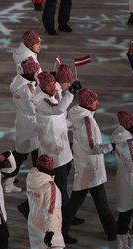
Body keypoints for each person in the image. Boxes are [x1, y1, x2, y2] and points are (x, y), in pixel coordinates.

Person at [63, 88, 116, 244]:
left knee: (97, 201)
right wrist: (111, 147)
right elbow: (92, 147)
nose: (97, 103)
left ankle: (112, 231)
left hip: (86, 165)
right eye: (94, 101)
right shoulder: (87, 121)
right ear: (87, 103)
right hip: (90, 167)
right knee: (80, 202)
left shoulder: (76, 113)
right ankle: (61, 232)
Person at [26, 154, 78, 249]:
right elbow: (51, 210)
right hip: (48, 228)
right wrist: (50, 232)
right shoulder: (50, 186)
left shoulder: (31, 178)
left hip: (33, 224)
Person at [34, 71, 78, 212]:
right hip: (54, 152)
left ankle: (66, 215)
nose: (53, 88)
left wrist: (75, 120)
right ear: (41, 86)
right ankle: (65, 218)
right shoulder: (42, 101)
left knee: (61, 185)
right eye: (49, 86)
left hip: (62, 148)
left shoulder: (50, 96)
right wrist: (71, 93)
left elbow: (59, 121)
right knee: (60, 187)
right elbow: (58, 110)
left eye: (54, 84)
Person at [3, 58, 42, 193]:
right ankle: (39, 185)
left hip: (22, 122)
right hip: (32, 124)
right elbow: (34, 108)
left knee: (20, 154)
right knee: (37, 155)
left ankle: (9, 182)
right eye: (37, 71)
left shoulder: (17, 82)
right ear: (32, 73)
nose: (39, 73)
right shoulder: (29, 88)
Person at [111, 111, 133, 249]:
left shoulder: (119, 136)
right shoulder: (129, 142)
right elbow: (132, 166)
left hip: (122, 179)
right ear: (130, 125)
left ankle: (121, 245)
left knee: (124, 212)